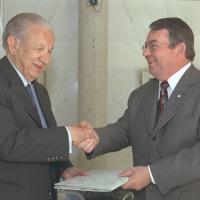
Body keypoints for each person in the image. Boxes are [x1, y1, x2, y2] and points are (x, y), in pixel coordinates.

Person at [78, 17, 200, 200]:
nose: (145, 52)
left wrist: (152, 174)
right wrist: (94, 137)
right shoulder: (141, 95)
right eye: (144, 46)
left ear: (180, 49)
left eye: (153, 46)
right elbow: (124, 130)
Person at [0, 13, 98, 200]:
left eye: (50, 51)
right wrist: (69, 134)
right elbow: (9, 143)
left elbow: (43, 138)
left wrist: (64, 169)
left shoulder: (40, 91)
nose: (46, 60)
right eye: (39, 49)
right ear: (13, 45)